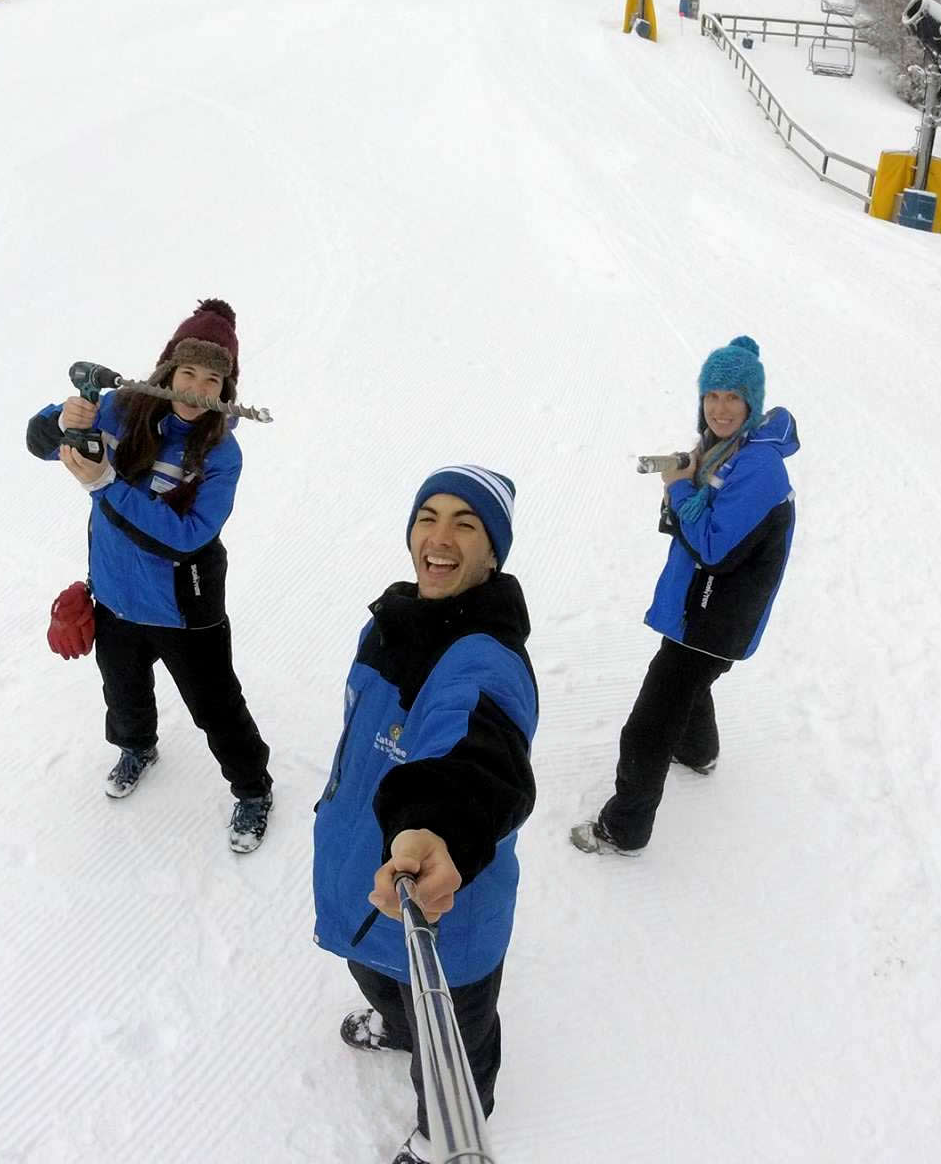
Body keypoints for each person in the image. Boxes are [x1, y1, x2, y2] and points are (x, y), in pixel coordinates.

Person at [313, 466, 537, 1164]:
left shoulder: (486, 659)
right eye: (428, 517)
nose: (439, 537)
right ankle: (402, 1025)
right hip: (365, 878)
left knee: (458, 1052)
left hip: (445, 908)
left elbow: (478, 755)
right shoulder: (389, 623)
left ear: (493, 553)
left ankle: (445, 1136)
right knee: (382, 982)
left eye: (465, 525)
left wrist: (435, 825)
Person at [26, 299, 274, 853]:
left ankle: (253, 787)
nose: (198, 388)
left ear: (226, 390)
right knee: (124, 690)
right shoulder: (115, 409)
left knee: (215, 705)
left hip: (183, 606)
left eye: (213, 379)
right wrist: (62, 423)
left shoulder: (221, 454)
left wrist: (106, 484)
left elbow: (187, 536)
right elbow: (39, 441)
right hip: (115, 595)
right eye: (188, 372)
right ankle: (137, 746)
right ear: (167, 372)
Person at [574, 336, 799, 857]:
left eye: (732, 398)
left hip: (713, 618)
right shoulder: (732, 450)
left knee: (648, 727)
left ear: (752, 404)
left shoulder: (761, 468)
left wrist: (678, 488)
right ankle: (699, 753)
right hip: (708, 613)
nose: (720, 408)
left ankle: (623, 829)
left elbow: (716, 549)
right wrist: (690, 473)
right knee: (690, 685)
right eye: (711, 396)